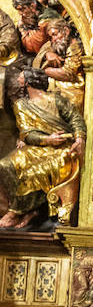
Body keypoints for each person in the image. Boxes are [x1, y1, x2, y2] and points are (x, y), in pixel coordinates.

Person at [0, 65, 84, 227]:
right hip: (38, 146)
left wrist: (79, 137)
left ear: (29, 82)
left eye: (21, 77)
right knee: (4, 165)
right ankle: (24, 210)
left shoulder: (56, 100)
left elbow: (75, 119)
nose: (18, 79)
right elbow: (27, 134)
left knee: (33, 173)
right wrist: (48, 140)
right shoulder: (21, 105)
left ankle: (17, 213)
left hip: (62, 148)